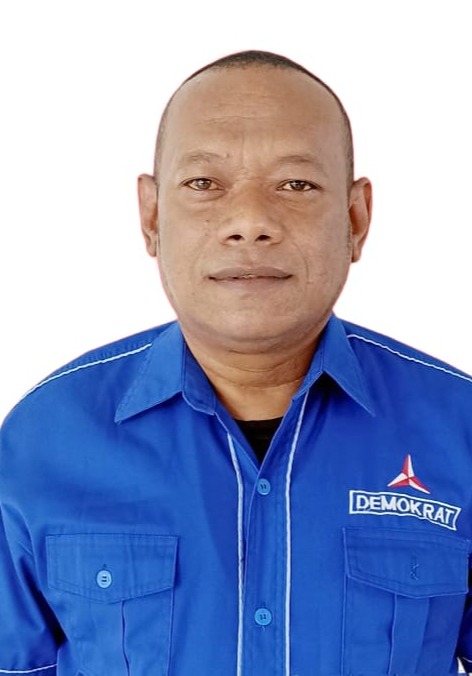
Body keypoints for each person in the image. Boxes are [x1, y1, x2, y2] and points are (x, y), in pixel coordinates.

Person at [1, 50, 471, 676]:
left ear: (356, 219)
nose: (250, 222)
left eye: (296, 185)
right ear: (151, 215)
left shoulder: (460, 428)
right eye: (204, 183)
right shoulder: (44, 438)